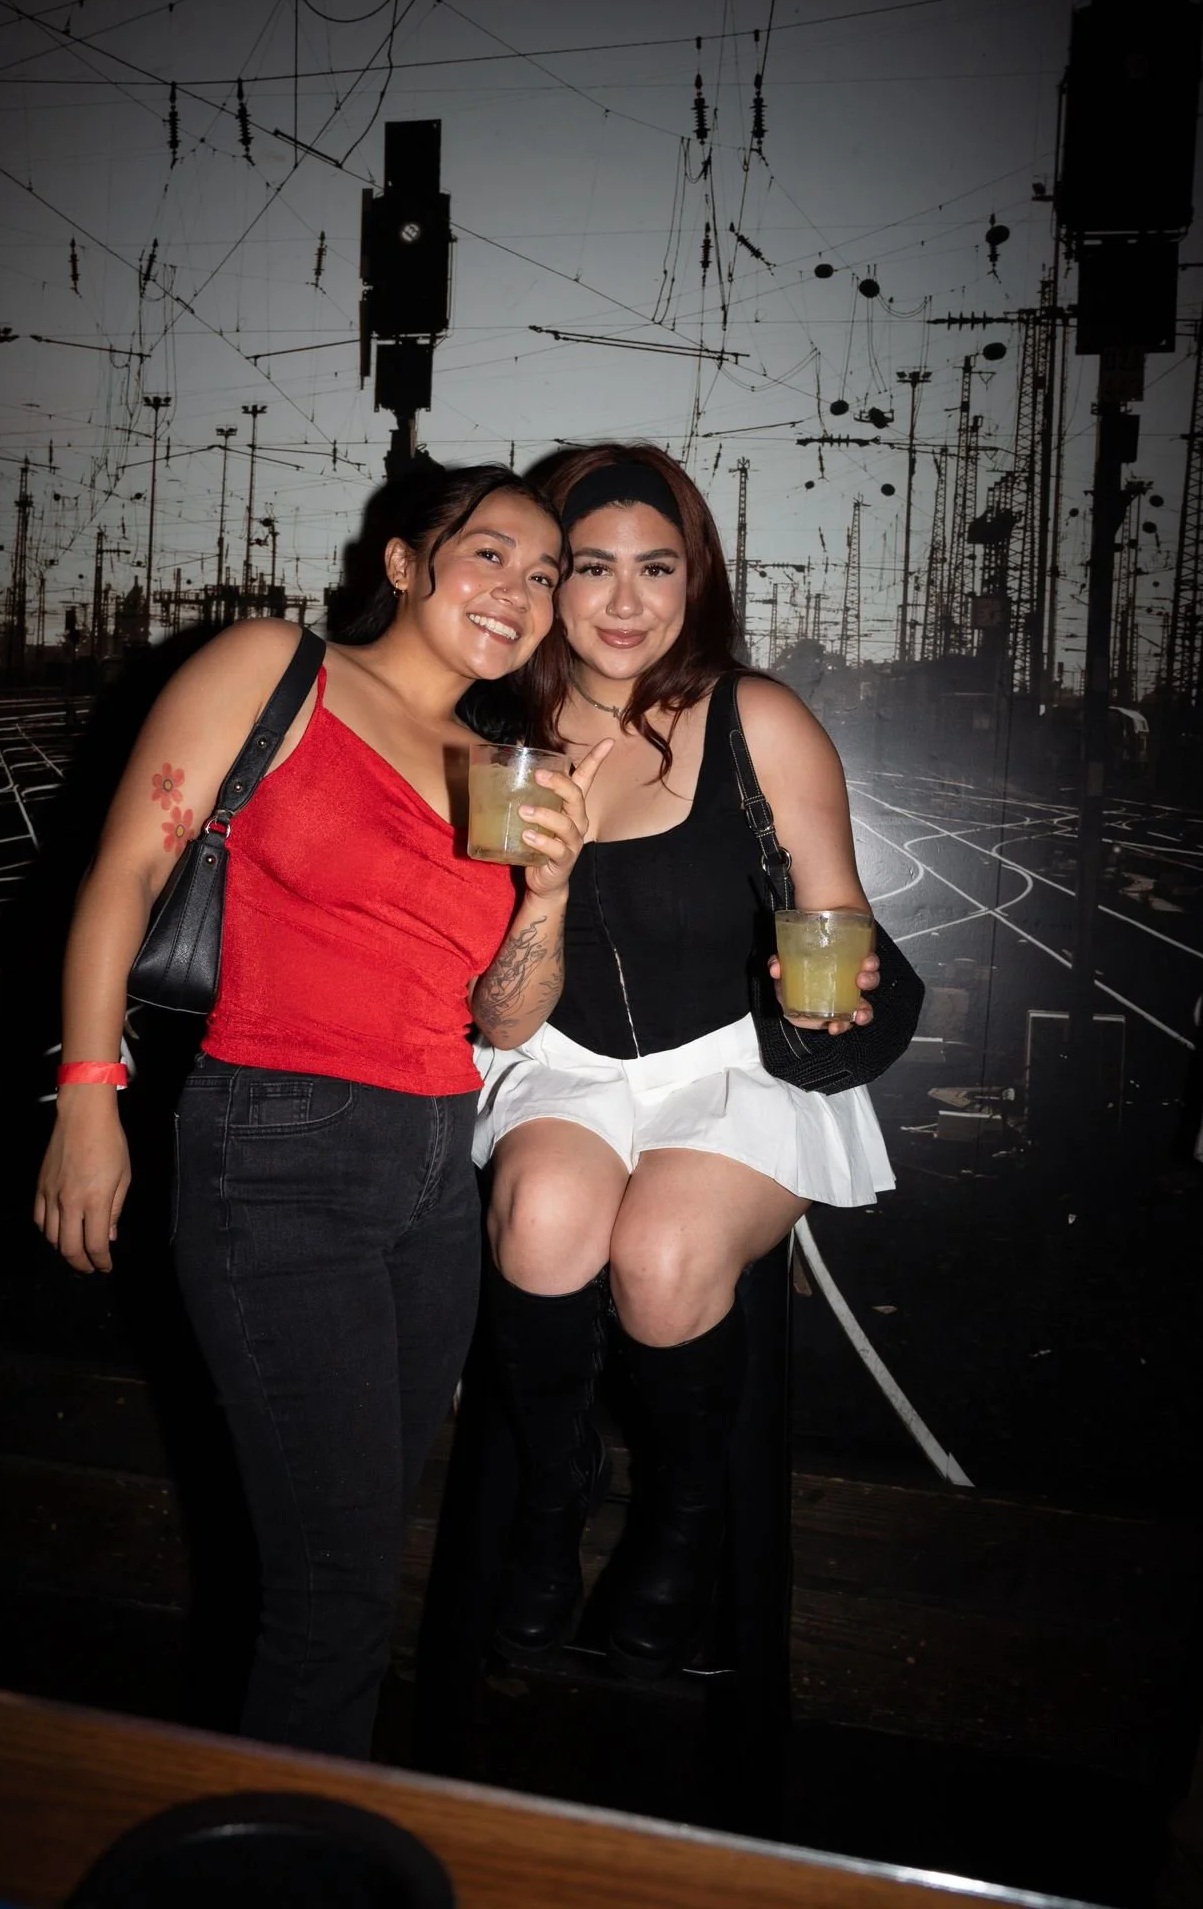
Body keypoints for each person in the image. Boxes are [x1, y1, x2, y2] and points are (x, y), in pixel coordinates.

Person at [34, 463, 610, 1758]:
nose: (518, 593)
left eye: (541, 577)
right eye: (488, 556)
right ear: (405, 563)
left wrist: (550, 897)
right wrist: (88, 1095)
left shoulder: (496, 764)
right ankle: (280, 1860)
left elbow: (504, 1019)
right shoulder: (280, 667)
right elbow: (127, 865)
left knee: (349, 1563)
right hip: (277, 1150)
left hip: (431, 1174)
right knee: (333, 1594)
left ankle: (287, 1830)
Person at [470, 443, 892, 1680]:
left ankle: (684, 1517)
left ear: (695, 577)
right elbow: (499, 1014)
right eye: (590, 567)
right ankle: (552, 1503)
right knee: (543, 1221)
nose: (622, 600)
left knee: (660, 1257)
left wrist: (835, 991)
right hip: (564, 1057)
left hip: (733, 1067)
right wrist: (540, 890)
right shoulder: (505, 735)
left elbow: (836, 914)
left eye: (655, 567)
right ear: (552, 582)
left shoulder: (759, 716)